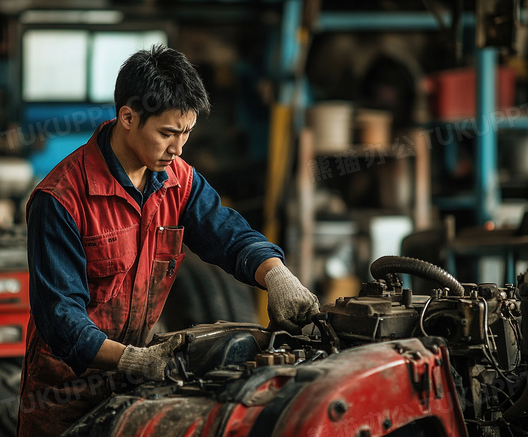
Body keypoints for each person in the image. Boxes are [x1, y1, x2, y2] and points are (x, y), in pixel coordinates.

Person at [17, 45, 319, 436]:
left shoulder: (179, 179)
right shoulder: (61, 199)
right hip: (64, 397)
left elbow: (226, 231)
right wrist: (131, 361)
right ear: (127, 116)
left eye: (187, 133)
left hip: (133, 389)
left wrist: (277, 275)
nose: (178, 148)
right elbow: (60, 319)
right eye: (167, 133)